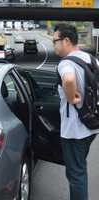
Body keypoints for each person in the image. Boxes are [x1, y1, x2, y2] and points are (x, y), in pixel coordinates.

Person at [53, 23, 97, 200]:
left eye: (55, 40)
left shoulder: (66, 63)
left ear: (66, 40)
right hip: (91, 126)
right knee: (80, 168)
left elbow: (69, 80)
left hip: (74, 131)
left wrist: (72, 98)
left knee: (76, 175)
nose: (53, 45)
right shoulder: (92, 59)